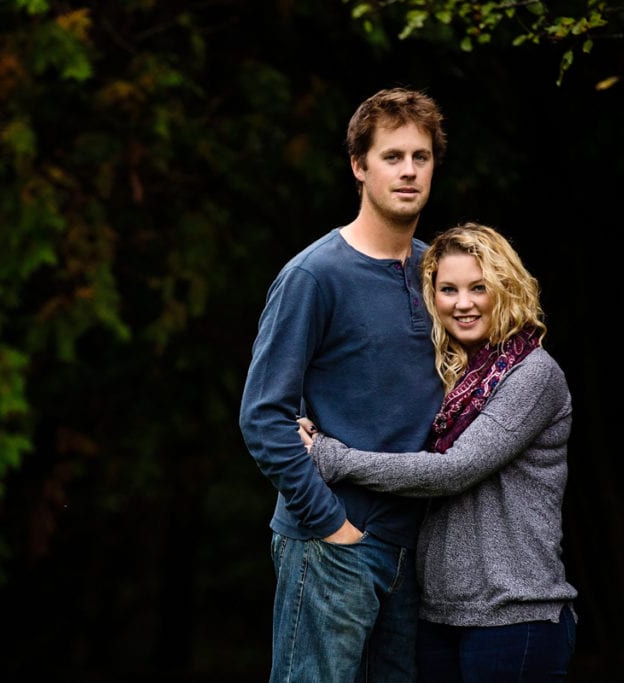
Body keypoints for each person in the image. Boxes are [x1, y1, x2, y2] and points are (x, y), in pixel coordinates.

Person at [299, 222, 578, 682]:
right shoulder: (449, 379)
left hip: (515, 617)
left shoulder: (532, 374)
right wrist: (311, 413)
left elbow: (455, 470)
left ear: (506, 289)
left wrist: (333, 458)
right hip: (439, 617)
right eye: (448, 289)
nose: (462, 303)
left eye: (478, 288)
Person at [239, 87, 447, 682]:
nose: (408, 171)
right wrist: (331, 526)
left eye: (421, 156)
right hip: (333, 544)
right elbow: (263, 415)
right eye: (391, 156)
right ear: (359, 166)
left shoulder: (441, 274)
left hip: (416, 553)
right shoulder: (314, 275)